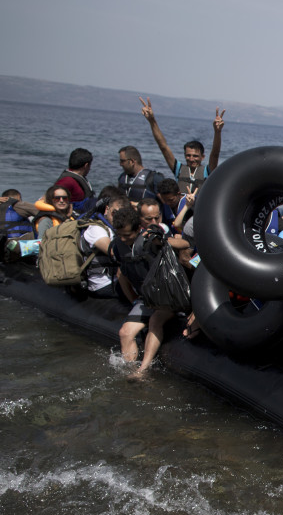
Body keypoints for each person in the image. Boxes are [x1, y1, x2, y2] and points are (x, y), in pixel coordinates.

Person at [110, 205, 176, 380]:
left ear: (138, 229)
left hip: (168, 296)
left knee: (155, 320)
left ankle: (143, 370)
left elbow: (184, 244)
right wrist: (134, 300)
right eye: (120, 235)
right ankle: (130, 369)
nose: (123, 239)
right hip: (146, 298)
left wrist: (161, 241)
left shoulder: (151, 239)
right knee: (125, 332)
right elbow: (122, 275)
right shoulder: (118, 246)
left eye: (127, 235)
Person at [140, 97, 223, 193]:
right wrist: (152, 121)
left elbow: (215, 153)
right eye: (188, 155)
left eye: (195, 156)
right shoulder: (178, 169)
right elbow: (163, 147)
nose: (191, 159)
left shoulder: (207, 171)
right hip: (181, 207)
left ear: (203, 157)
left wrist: (217, 132)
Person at [53, 148, 95, 212]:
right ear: (86, 166)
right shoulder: (67, 181)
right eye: (90, 166)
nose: (90, 169)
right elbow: (51, 198)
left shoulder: (76, 179)